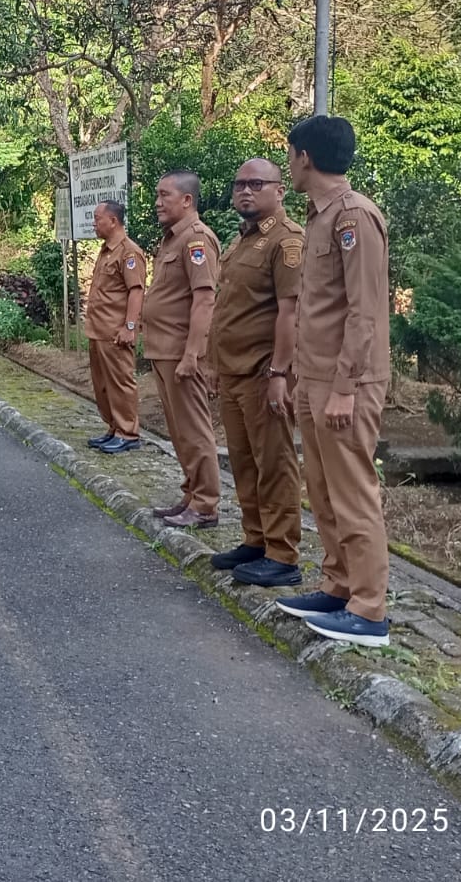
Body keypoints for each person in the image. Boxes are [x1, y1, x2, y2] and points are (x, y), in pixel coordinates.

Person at [274, 115, 393, 647]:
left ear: (305, 158)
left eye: (290, 155)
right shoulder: (319, 218)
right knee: (322, 490)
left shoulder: (354, 217)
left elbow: (364, 311)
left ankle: (369, 610)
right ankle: (339, 585)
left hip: (347, 382)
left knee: (352, 492)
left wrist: (345, 387)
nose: (289, 164)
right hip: (314, 377)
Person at [207, 159, 305, 587]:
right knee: (244, 462)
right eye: (240, 184)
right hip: (233, 371)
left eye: (256, 184)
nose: (245, 190)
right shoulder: (241, 240)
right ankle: (256, 539)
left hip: (265, 373)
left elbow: (290, 312)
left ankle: (282, 554)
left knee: (275, 464)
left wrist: (280, 373)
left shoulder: (287, 241)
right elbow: (228, 308)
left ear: (279, 191)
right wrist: (214, 363)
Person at [142, 170, 223, 529]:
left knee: (194, 430)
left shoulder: (196, 239)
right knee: (178, 430)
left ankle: (205, 504)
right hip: (163, 349)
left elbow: (204, 299)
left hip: (181, 352)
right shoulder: (172, 239)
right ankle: (192, 494)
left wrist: (193, 354)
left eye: (165, 195)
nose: (157, 202)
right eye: (157, 195)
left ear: (187, 200)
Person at [83, 200, 147, 454]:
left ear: (113, 221)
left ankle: (128, 432)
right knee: (102, 384)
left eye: (97, 219)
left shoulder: (129, 252)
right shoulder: (106, 251)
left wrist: (129, 326)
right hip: (98, 329)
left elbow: (136, 291)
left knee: (120, 382)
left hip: (115, 332)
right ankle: (114, 427)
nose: (94, 224)